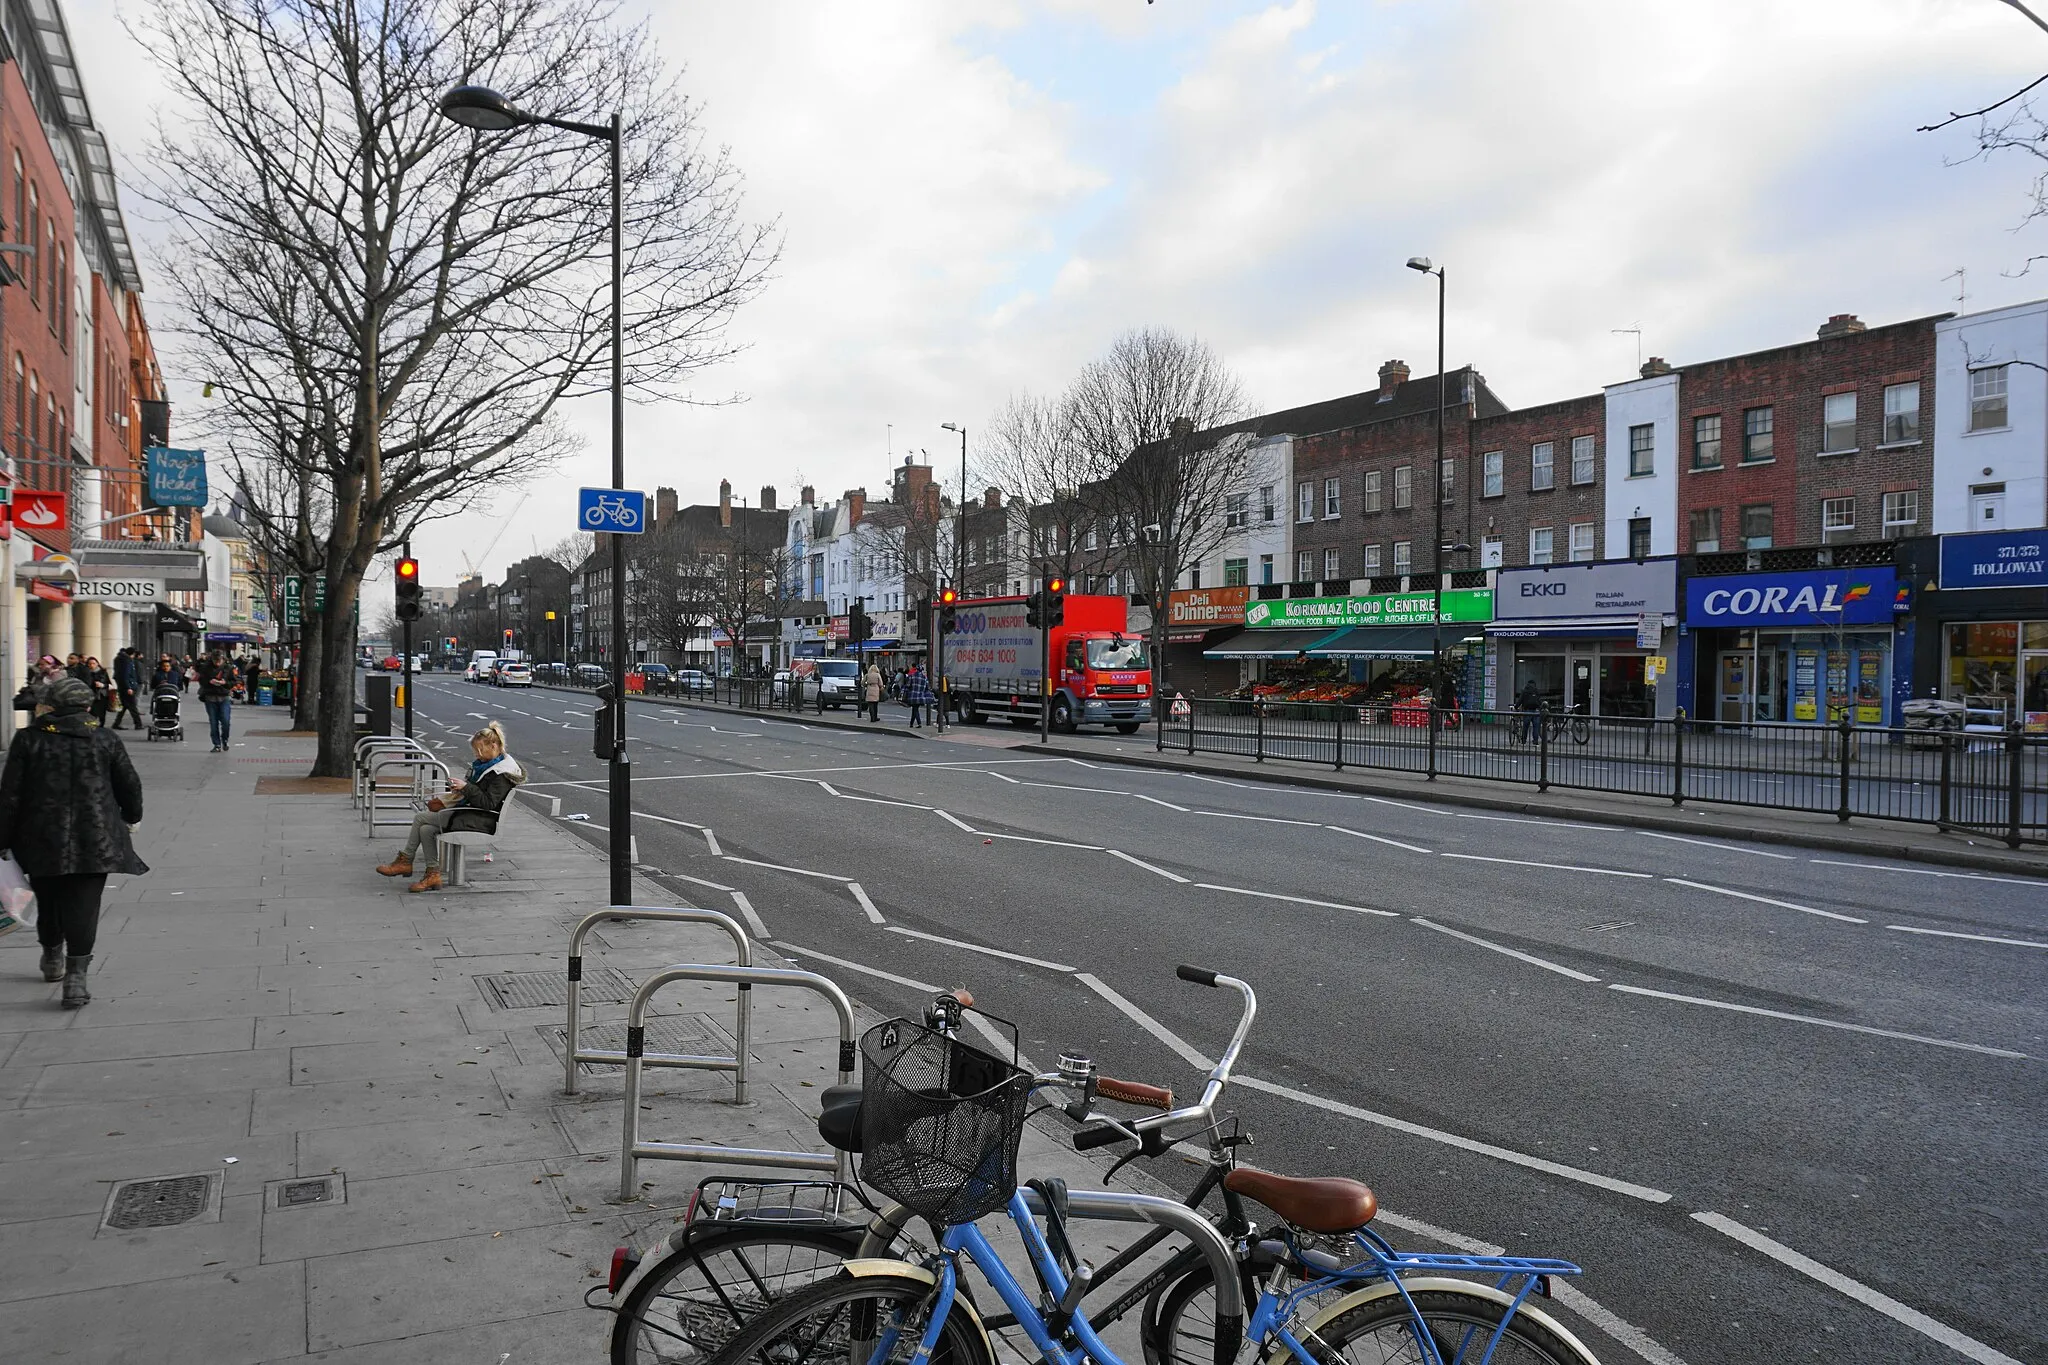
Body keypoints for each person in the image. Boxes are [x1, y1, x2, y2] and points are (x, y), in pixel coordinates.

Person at [0, 675, 148, 1008]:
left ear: (50, 705)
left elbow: (9, 796)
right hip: (94, 835)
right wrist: (131, 818)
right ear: (85, 705)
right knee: (83, 906)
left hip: (40, 836)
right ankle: (76, 979)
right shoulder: (104, 738)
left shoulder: (28, 740)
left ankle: (52, 956)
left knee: (48, 898)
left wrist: (3, 838)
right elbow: (130, 784)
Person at [376, 721, 525, 893]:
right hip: (470, 814)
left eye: (480, 750)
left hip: (479, 820)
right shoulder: (490, 766)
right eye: (475, 751)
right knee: (425, 830)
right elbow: (478, 792)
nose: (477, 755)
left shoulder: (501, 774)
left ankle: (405, 861)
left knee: (420, 818)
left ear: (493, 746)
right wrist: (460, 788)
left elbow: (488, 803)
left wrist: (465, 787)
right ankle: (432, 874)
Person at [196, 649, 237, 751]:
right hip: (210, 697)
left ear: (222, 659)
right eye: (215, 661)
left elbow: (234, 681)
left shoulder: (228, 667)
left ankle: (225, 740)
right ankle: (217, 744)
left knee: (225, 721)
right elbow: (201, 680)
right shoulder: (205, 668)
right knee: (213, 722)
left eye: (219, 661)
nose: (217, 663)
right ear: (212, 659)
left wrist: (225, 683)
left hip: (224, 697)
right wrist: (210, 681)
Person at [112, 649, 142, 730]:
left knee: (125, 705)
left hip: (122, 685)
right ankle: (138, 724)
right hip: (128, 686)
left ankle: (116, 723)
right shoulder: (127, 661)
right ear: (132, 654)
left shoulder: (118, 659)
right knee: (132, 706)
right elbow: (126, 675)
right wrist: (128, 687)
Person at [902, 664, 934, 729]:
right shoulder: (924, 678)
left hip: (913, 696)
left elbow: (908, 685)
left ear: (916, 669)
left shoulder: (912, 676)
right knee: (915, 709)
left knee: (915, 709)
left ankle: (919, 723)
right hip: (921, 697)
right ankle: (911, 723)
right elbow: (928, 688)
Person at [84, 656, 112, 726]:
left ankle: (101, 727)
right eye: (90, 664)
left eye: (93, 663)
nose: (91, 665)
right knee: (91, 714)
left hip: (102, 696)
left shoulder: (103, 672)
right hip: (90, 696)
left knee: (102, 714)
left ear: (97, 664)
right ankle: (91, 727)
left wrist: (102, 685)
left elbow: (109, 684)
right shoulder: (85, 673)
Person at [1516, 677, 1542, 743]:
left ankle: (1524, 740)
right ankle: (1535, 741)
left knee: (1525, 726)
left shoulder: (1525, 690)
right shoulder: (1536, 690)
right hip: (1536, 710)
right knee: (1536, 727)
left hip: (1527, 710)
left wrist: (1516, 706)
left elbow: (1520, 700)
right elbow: (1539, 700)